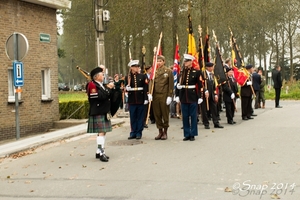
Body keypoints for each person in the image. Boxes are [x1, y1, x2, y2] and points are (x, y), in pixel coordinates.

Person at [87, 67, 114, 162]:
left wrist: (108, 89)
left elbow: (107, 95)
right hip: (98, 110)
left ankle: (98, 151)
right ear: (97, 76)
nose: (103, 76)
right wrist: (108, 88)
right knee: (101, 131)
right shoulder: (92, 85)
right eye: (102, 74)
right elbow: (98, 97)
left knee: (103, 131)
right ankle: (102, 152)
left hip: (103, 110)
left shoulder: (100, 84)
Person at [175, 54, 203, 141]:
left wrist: (200, 96)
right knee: (185, 116)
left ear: (191, 62)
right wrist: (177, 95)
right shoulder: (182, 72)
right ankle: (187, 134)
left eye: (187, 61)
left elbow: (200, 85)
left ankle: (193, 134)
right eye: (185, 61)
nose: (185, 62)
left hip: (192, 96)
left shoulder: (197, 72)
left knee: (193, 116)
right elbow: (178, 85)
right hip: (184, 96)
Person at [149, 55, 174, 140]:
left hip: (164, 95)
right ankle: (160, 131)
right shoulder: (154, 72)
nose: (159, 63)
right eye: (158, 61)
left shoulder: (168, 71)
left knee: (165, 114)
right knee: (157, 114)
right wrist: (149, 93)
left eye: (160, 61)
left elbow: (171, 85)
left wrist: (170, 96)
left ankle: (165, 132)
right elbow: (151, 83)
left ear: (164, 61)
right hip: (155, 95)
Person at [125, 60, 149, 140]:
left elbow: (145, 87)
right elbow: (125, 87)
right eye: (135, 67)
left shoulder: (142, 76)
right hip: (132, 100)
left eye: (137, 67)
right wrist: (126, 88)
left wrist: (146, 98)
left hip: (140, 99)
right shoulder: (127, 77)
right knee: (133, 117)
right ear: (131, 68)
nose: (137, 68)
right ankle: (133, 132)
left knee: (140, 117)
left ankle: (139, 132)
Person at [201, 62, 223, 129]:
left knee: (214, 108)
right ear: (207, 67)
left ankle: (216, 123)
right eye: (211, 67)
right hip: (205, 94)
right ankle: (206, 123)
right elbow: (201, 84)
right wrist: (205, 90)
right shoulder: (203, 74)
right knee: (204, 109)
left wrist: (215, 94)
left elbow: (214, 86)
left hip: (212, 94)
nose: (212, 68)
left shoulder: (212, 75)